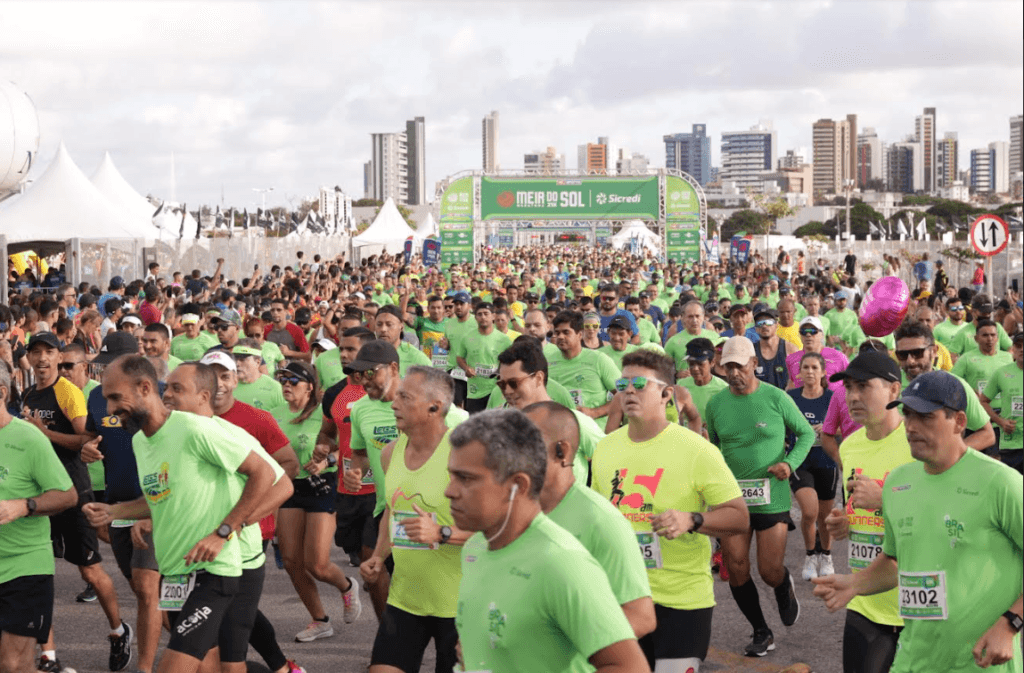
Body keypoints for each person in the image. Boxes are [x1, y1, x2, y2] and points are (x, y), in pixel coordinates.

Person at [814, 371, 1023, 673]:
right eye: (908, 415)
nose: (911, 427)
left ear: (960, 422)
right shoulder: (898, 483)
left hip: (981, 663)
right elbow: (894, 559)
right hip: (913, 660)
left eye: (926, 417)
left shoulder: (1000, 483)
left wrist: (1011, 623)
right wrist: (855, 583)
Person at [84, 355, 278, 673]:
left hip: (212, 574)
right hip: (176, 576)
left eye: (115, 397)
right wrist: (113, 510)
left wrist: (224, 531)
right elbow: (162, 498)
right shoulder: (140, 442)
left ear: (145, 387)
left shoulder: (194, 429)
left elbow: (264, 473)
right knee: (208, 668)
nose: (109, 410)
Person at [446, 409, 651, 673]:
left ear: (517, 485)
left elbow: (628, 666)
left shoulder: (559, 560)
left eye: (465, 478)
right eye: (451, 476)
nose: (449, 491)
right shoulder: (475, 548)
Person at [591, 350, 748, 671]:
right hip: (623, 596)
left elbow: (739, 516)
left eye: (638, 383)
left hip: (681, 601)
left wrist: (693, 519)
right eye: (623, 383)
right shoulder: (605, 448)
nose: (628, 391)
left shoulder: (696, 449)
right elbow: (599, 519)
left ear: (666, 394)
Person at [160, 362, 302, 673]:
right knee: (200, 656)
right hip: (184, 559)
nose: (166, 395)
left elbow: (283, 483)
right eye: (166, 388)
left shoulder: (229, 432)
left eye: (176, 388)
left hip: (236, 559)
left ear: (203, 394)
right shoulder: (168, 435)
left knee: (229, 660)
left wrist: (236, 524)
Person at [21, 332, 133, 673]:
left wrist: (45, 433)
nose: (41, 359)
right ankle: (48, 655)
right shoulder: (28, 393)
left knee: (89, 568)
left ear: (58, 358)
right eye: (35, 352)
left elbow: (85, 439)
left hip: (73, 491)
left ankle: (118, 630)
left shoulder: (67, 392)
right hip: (41, 495)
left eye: (49, 352)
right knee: (37, 571)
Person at [705, 336, 813, 657]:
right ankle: (761, 631)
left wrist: (789, 463)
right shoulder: (715, 404)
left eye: (740, 365)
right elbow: (715, 447)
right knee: (736, 567)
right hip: (732, 499)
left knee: (768, 570)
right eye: (728, 367)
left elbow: (806, 433)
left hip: (772, 497)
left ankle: (782, 584)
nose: (734, 372)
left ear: (755, 364)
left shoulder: (776, 398)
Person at [359, 367, 469, 673]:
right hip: (406, 599)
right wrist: (378, 557)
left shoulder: (463, 455)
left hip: (459, 605)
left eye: (405, 397)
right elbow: (393, 512)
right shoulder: (390, 453)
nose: (394, 403)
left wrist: (441, 533)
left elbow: (497, 530)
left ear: (434, 406)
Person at [524, 400, 657, 642]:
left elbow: (641, 617)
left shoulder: (602, 520)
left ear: (561, 452)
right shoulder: (508, 514)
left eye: (527, 444)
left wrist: (563, 650)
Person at [818, 350, 910, 673]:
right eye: (848, 388)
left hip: (910, 606)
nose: (852, 396)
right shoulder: (850, 446)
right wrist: (842, 523)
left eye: (863, 387)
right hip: (862, 599)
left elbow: (941, 515)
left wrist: (886, 498)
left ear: (894, 390)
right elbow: (857, 509)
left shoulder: (917, 443)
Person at [82, 332, 164, 673]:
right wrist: (86, 447)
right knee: (144, 591)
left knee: (147, 589)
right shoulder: (97, 398)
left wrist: (152, 508)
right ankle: (199, 645)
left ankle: (146, 667)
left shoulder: (161, 400)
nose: (105, 370)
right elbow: (92, 435)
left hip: (152, 504)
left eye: (112, 363)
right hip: (116, 501)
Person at [272, 361, 362, 643]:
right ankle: (320, 620)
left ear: (310, 386)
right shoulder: (273, 415)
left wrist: (327, 460)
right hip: (289, 487)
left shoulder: (323, 413)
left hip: (322, 486)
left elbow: (344, 444)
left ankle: (347, 586)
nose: (287, 385)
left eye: (293, 381)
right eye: (283, 380)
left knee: (317, 563)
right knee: (290, 560)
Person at [0, 362, 78, 673]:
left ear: (2, 392)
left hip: (24, 565)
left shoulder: (28, 438)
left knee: (12, 664)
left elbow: (68, 495)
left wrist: (24, 506)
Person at [893, 320, 996, 452]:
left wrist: (948, 455)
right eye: (902, 355)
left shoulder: (955, 385)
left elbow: (987, 434)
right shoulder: (887, 387)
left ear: (934, 351)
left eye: (917, 353)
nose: (910, 361)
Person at [786, 352, 837, 581]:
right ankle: (810, 555)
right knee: (809, 511)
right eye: (805, 367)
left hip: (826, 461)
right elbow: (781, 427)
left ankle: (825, 555)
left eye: (814, 367)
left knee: (825, 517)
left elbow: (844, 427)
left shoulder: (833, 398)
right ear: (799, 372)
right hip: (800, 461)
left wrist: (827, 429)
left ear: (823, 372)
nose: (809, 372)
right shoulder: (790, 397)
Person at [547, 310, 620, 421]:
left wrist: (594, 412)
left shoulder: (599, 359)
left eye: (566, 332)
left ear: (579, 334)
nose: (560, 337)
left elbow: (624, 394)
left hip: (595, 431)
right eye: (557, 333)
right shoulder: (548, 362)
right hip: (559, 429)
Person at [454, 302, 511, 414]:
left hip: (496, 391)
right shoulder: (467, 338)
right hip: (475, 392)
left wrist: (501, 374)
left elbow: (510, 363)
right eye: (479, 314)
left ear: (493, 316)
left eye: (486, 313)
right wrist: (466, 369)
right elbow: (459, 358)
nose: (483, 317)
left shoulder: (504, 340)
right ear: (475, 317)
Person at [981, 332, 1023, 473]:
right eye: (1018, 346)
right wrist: (1000, 421)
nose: (1022, 349)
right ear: (1013, 350)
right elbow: (983, 401)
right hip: (1011, 445)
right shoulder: (1002, 373)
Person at [787, 316, 849, 392]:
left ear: (822, 334)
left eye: (813, 331)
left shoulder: (839, 357)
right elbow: (791, 383)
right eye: (803, 331)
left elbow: (850, 381)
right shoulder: (791, 359)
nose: (808, 335)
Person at [678, 338, 728, 427]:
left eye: (700, 363)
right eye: (691, 363)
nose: (695, 368)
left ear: (712, 362)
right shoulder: (681, 385)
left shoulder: (723, 389)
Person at [664, 302, 719, 379]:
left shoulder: (715, 337)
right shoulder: (673, 342)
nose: (694, 320)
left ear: (703, 317)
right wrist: (676, 375)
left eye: (697, 316)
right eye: (690, 317)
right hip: (684, 386)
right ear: (683, 318)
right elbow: (663, 369)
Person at [231, 339, 285, 411]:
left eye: (242, 359)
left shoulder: (274, 388)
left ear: (257, 362)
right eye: (235, 359)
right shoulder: (227, 387)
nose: (237, 363)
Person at [753, 307, 797, 389]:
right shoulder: (751, 350)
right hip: (760, 399)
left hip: (784, 398)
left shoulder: (790, 348)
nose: (764, 326)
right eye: (760, 323)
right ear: (756, 329)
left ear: (777, 325)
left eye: (769, 322)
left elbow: (799, 378)